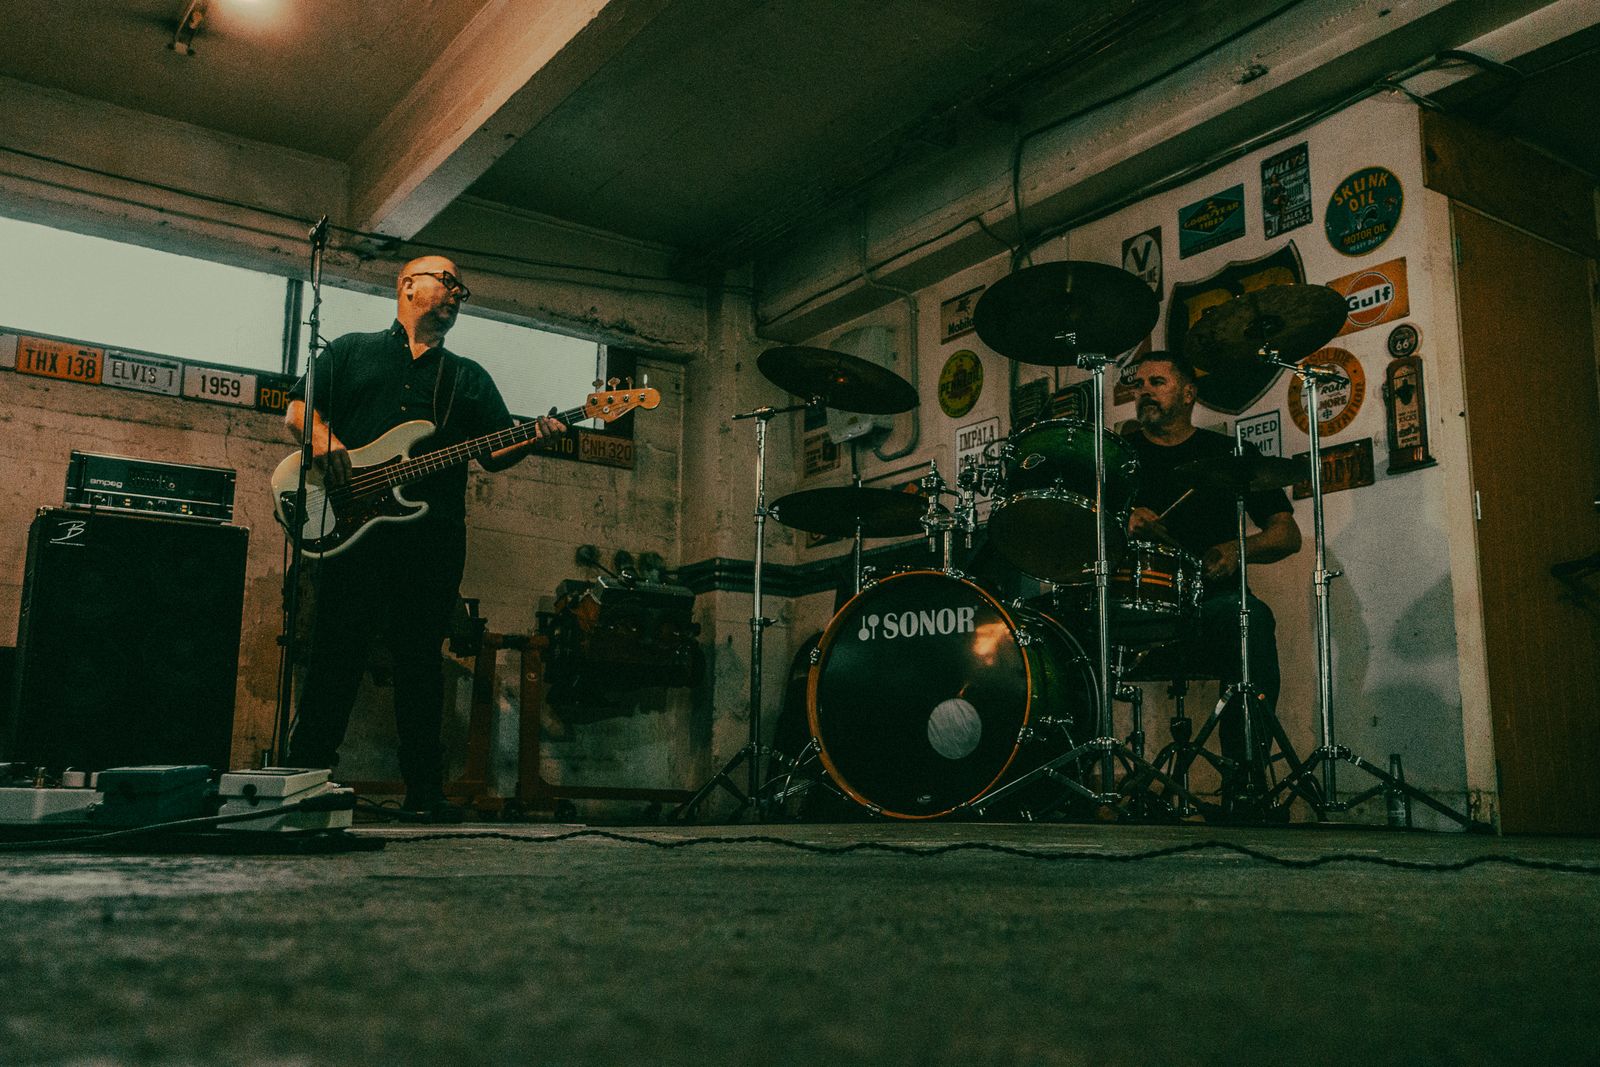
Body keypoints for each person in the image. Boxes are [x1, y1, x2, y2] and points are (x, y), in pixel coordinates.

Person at [283, 255, 563, 820]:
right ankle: (301, 782)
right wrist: (324, 439)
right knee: (336, 653)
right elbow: (297, 410)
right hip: (351, 531)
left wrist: (535, 436)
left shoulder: (467, 376)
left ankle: (425, 793)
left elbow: (494, 453)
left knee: (420, 663)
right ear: (409, 285)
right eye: (448, 281)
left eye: (462, 289)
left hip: (432, 538)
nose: (458, 293)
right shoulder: (350, 350)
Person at [1120, 351, 1302, 800]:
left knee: (1250, 619)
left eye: (1157, 382)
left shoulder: (1228, 455)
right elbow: (1077, 530)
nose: (1143, 391)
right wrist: (1120, 520)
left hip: (1211, 601)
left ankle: (1244, 778)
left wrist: (1238, 549)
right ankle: (1072, 780)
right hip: (1130, 601)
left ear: (1188, 394)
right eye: (1138, 384)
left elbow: (1287, 534)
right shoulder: (1118, 458)